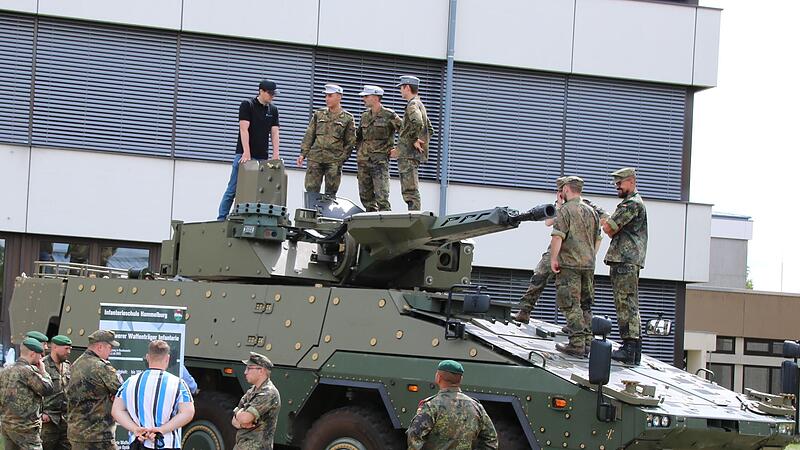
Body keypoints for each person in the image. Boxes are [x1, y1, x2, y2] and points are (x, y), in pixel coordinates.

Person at [515, 177, 608, 324]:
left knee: (579, 293)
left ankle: (580, 325)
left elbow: (604, 225)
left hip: (576, 253)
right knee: (539, 276)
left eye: (560, 189)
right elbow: (548, 222)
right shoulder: (562, 206)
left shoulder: (588, 207)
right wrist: (559, 204)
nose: (559, 192)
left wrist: (591, 252)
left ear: (566, 189)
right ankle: (525, 310)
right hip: (558, 250)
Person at [550, 176, 601, 357]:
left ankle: (576, 343)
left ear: (566, 189)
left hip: (570, 263)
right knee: (586, 305)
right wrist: (590, 257)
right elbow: (598, 238)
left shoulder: (565, 210)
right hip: (588, 264)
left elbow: (557, 236)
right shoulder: (592, 211)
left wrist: (553, 259)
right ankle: (587, 343)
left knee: (571, 304)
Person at [602, 167, 648, 365]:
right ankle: (634, 348)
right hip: (628, 260)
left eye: (620, 183)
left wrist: (605, 219)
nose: (617, 187)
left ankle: (629, 347)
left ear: (631, 181)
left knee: (625, 303)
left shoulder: (630, 204)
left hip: (624, 259)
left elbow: (609, 228)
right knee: (630, 303)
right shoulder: (634, 203)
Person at [112, 340, 195, 449]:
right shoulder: (178, 384)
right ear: (167, 359)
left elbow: (116, 410)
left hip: (138, 443)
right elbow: (188, 412)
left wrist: (135, 428)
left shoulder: (130, 382)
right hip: (167, 443)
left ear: (147, 357)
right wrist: (162, 429)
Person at [217, 79, 281, 220]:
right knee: (233, 189)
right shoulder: (248, 105)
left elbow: (275, 132)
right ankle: (221, 218)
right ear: (261, 91)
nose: (272, 97)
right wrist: (246, 152)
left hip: (262, 157)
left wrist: (276, 154)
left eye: (274, 94)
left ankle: (250, 218)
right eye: (270, 94)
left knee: (258, 191)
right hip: (244, 155)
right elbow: (243, 129)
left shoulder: (273, 110)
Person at [407, 359, 497, 449]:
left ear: (438, 377)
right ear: (460, 379)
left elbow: (414, 437)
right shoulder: (476, 407)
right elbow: (491, 439)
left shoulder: (431, 406)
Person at [296, 84, 357, 197]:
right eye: (326, 96)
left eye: (330, 96)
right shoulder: (319, 114)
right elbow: (310, 134)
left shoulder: (347, 118)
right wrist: (303, 154)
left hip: (333, 160)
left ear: (339, 97)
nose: (327, 99)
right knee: (311, 191)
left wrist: (341, 159)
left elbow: (351, 142)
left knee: (330, 193)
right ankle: (311, 214)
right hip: (315, 158)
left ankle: (324, 214)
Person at [66, 330, 122, 450]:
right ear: (100, 347)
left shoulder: (76, 364)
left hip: (77, 432)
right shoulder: (101, 367)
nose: (111, 351)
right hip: (98, 435)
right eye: (110, 347)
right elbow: (121, 391)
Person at [0, 338, 54, 450]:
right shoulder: (28, 371)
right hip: (26, 427)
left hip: (7, 424)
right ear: (33, 353)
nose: (41, 358)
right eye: (40, 354)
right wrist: (43, 372)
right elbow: (47, 389)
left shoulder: (6, 370)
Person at [355, 85, 402, 211]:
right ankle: (371, 223)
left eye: (366, 96)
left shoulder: (389, 115)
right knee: (365, 197)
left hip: (379, 163)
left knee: (382, 198)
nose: (363, 99)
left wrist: (398, 149)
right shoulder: (364, 116)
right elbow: (358, 137)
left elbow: (405, 132)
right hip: (364, 162)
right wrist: (359, 151)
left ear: (376, 97)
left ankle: (385, 225)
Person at [393, 75, 433, 211]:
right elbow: (430, 129)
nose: (400, 91)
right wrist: (421, 142)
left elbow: (418, 122)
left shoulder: (412, 105)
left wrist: (413, 140)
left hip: (408, 155)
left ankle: (414, 216)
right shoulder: (419, 103)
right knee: (411, 189)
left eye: (401, 88)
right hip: (410, 154)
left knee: (410, 190)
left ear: (407, 88)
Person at [232, 352, 281, 450]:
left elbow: (244, 418)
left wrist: (240, 417)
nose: (245, 372)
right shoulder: (252, 391)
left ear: (261, 371)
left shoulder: (268, 393)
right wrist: (240, 416)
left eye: (249, 368)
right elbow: (234, 421)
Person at [41, 335, 73, 450]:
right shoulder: (42, 365)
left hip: (65, 420)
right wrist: (41, 413)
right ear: (54, 347)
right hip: (48, 421)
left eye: (70, 349)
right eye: (66, 348)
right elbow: (34, 391)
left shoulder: (67, 366)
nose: (69, 352)